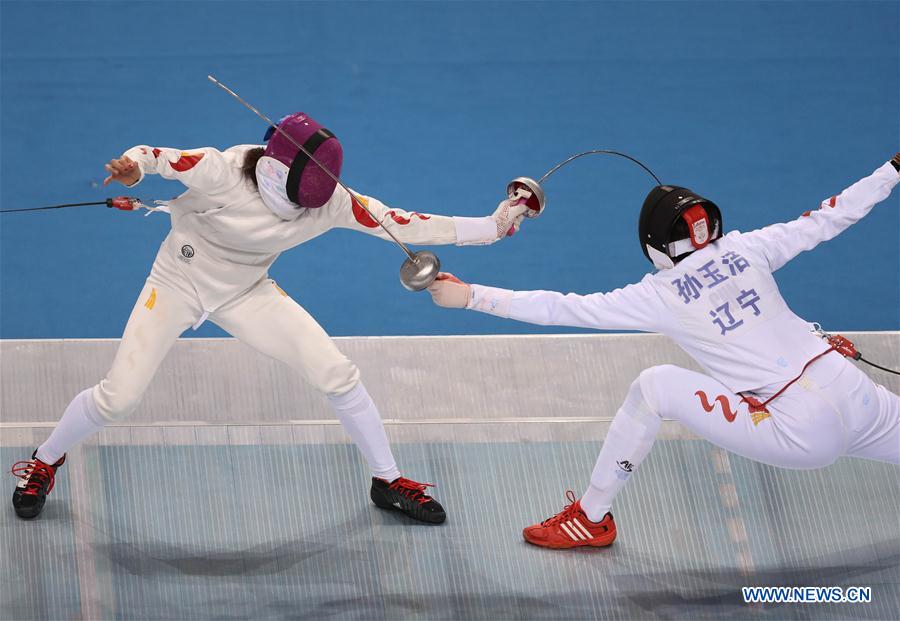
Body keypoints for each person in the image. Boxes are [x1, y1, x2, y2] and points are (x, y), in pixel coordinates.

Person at [11, 112, 530, 523]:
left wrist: (490, 226)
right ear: (279, 173)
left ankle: (387, 480)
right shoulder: (221, 170)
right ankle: (46, 458)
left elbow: (403, 222)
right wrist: (131, 166)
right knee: (117, 398)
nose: (313, 207)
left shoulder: (329, 200)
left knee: (338, 373)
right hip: (177, 281)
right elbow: (154, 157)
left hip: (245, 290)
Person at [427, 153, 900, 548]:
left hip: (797, 428)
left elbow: (559, 308)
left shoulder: (660, 294)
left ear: (655, 248)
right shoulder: (751, 247)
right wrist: (893, 168)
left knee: (654, 387)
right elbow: (831, 216)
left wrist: (471, 296)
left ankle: (592, 517)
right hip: (856, 393)